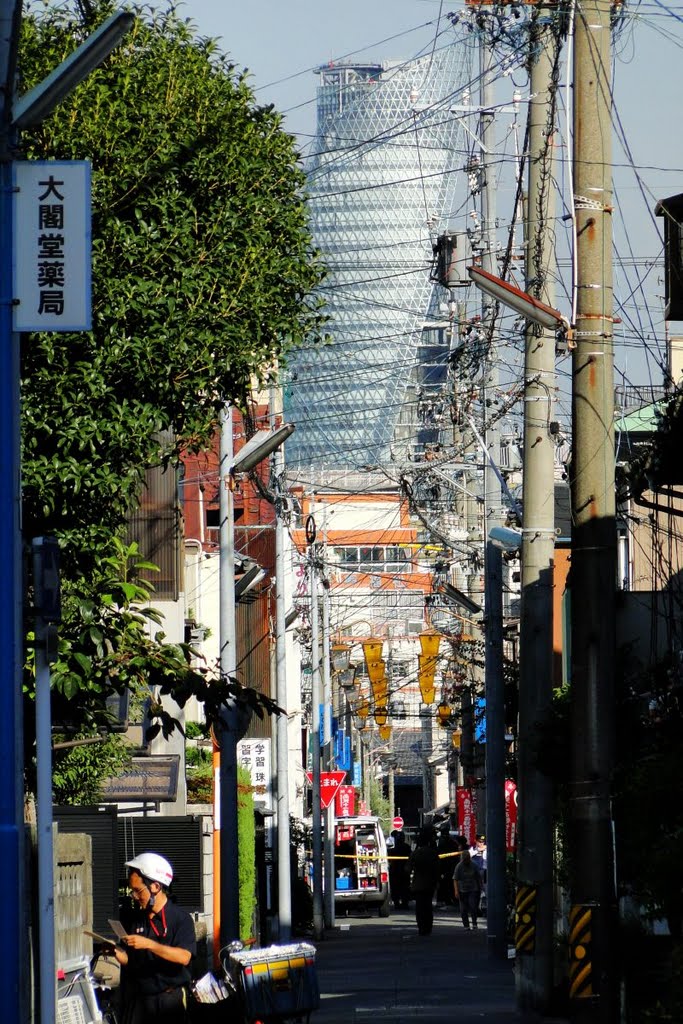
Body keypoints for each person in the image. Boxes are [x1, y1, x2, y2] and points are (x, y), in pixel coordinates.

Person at [109, 851, 196, 1024]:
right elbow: (133, 962)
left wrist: (150, 944)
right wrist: (117, 954)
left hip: (169, 1002)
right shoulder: (135, 919)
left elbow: (184, 957)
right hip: (139, 1001)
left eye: (137, 891)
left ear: (155, 886)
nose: (134, 896)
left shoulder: (181, 918)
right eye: (131, 891)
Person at [408, 826, 441, 935]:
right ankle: (428, 928)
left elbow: (407, 869)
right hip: (430, 883)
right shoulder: (433, 853)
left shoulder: (415, 853)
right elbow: (438, 868)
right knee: (428, 906)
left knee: (420, 907)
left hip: (418, 883)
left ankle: (421, 928)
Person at [453, 849, 483, 930]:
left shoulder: (474, 865)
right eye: (464, 859)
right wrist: (456, 891)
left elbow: (478, 877)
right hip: (462, 889)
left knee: (473, 906)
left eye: (467, 859)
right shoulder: (459, 866)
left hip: (473, 888)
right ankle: (466, 925)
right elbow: (455, 879)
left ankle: (474, 923)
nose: (466, 861)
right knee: (463, 909)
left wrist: (480, 887)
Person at [388, 829, 411, 910]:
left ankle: (401, 903)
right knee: (400, 887)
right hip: (399, 870)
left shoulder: (403, 848)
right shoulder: (397, 848)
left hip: (400, 870)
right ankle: (400, 903)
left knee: (400, 887)